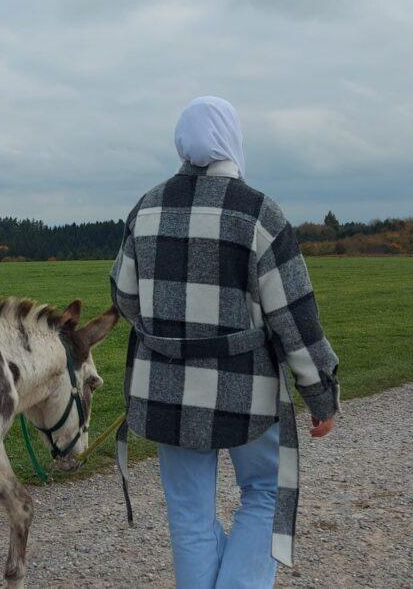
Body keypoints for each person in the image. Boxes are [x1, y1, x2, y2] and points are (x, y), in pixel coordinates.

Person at [111, 97, 340, 588]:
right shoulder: (258, 212)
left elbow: (125, 296)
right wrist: (320, 393)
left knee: (189, 513)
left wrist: (174, 331)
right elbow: (294, 316)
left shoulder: (147, 208)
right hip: (246, 389)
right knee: (266, 493)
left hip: (167, 389)